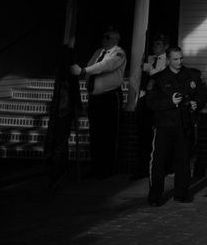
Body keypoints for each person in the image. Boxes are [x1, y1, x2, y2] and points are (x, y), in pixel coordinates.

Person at [145, 46, 207, 205]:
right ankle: (155, 197)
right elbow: (151, 102)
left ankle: (182, 194)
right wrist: (170, 102)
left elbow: (203, 93)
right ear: (168, 60)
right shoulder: (158, 79)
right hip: (164, 125)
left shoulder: (192, 75)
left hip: (184, 124)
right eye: (175, 59)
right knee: (159, 161)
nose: (179, 62)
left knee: (183, 161)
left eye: (181, 58)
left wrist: (197, 103)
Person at [70, 26, 127, 179]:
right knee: (96, 134)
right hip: (95, 98)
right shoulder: (98, 52)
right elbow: (93, 67)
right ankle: (96, 166)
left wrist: (83, 71)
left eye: (108, 37)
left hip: (110, 97)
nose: (104, 39)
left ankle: (108, 168)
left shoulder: (119, 53)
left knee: (110, 134)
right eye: (103, 36)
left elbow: (105, 66)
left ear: (116, 39)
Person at [130, 33, 170, 180]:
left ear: (166, 46)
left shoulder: (168, 60)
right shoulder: (148, 59)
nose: (155, 46)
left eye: (158, 43)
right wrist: (142, 91)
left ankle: (160, 168)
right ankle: (142, 169)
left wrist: (151, 71)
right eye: (154, 43)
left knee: (159, 138)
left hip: (159, 103)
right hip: (145, 101)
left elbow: (166, 79)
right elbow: (134, 78)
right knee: (143, 136)